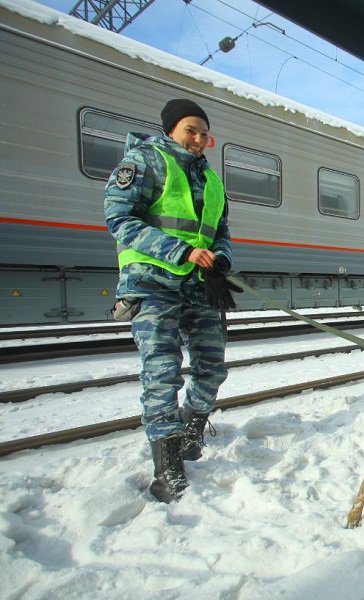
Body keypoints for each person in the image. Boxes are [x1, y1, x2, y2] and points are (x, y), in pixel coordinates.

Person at [104, 98, 241, 503]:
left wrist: (221, 260)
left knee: (212, 369)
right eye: (190, 130)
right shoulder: (143, 161)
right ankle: (168, 468)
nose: (198, 139)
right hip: (151, 282)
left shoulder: (211, 179)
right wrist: (178, 251)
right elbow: (120, 219)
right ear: (171, 130)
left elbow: (222, 230)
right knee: (162, 375)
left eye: (203, 132)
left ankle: (189, 430)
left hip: (200, 285)